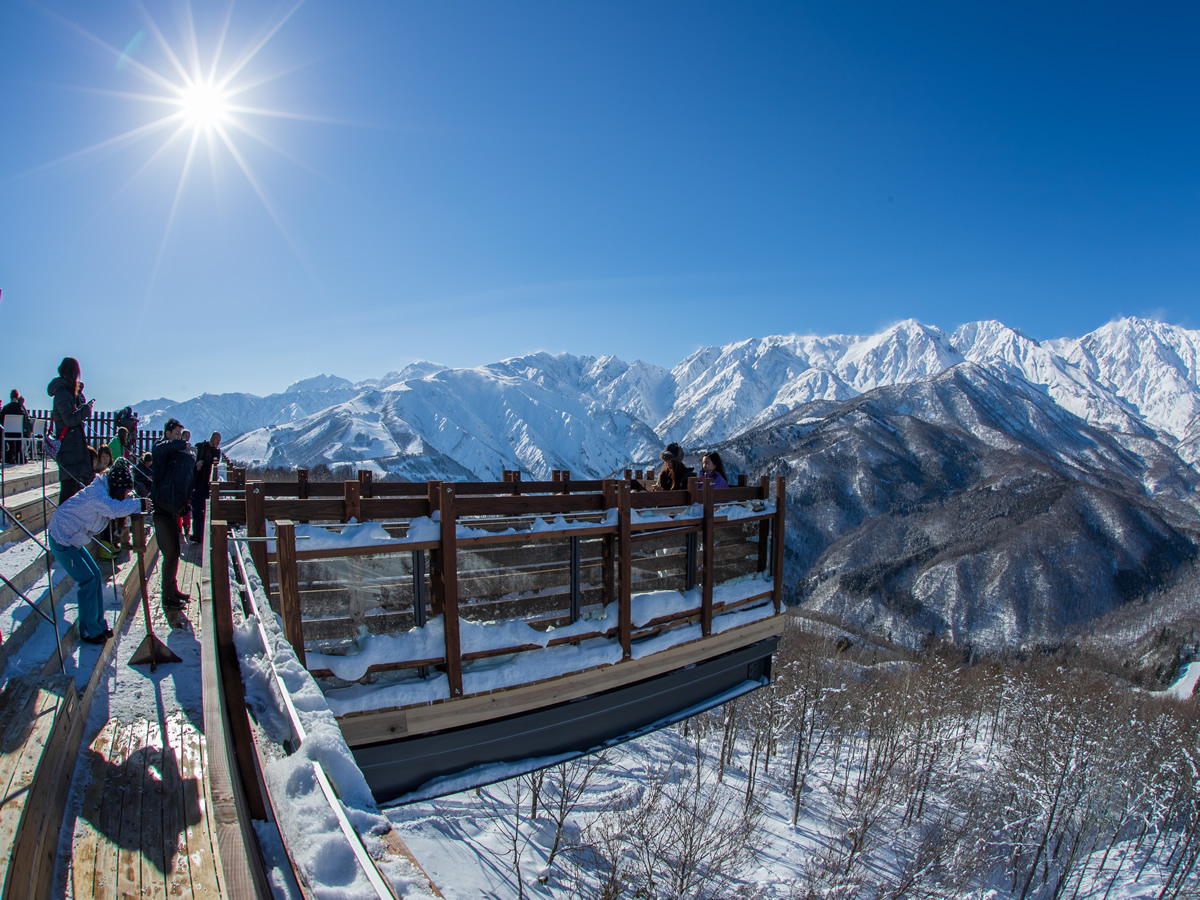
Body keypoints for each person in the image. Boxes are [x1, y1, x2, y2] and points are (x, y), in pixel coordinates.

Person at [47, 458, 143, 644]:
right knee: (87, 580)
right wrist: (140, 505)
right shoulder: (98, 494)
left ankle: (98, 624)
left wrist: (134, 504)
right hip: (61, 538)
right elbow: (114, 509)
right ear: (116, 487)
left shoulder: (103, 490)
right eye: (123, 492)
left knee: (95, 574)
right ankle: (89, 630)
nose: (124, 496)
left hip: (71, 539)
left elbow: (118, 509)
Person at [151, 418, 196, 610]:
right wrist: (181, 443)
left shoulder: (173, 455)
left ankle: (173, 589)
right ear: (167, 433)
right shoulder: (160, 450)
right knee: (169, 553)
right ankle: (167, 596)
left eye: (181, 435)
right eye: (176, 434)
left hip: (171, 510)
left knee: (175, 552)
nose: (179, 439)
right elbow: (160, 449)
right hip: (161, 510)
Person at [47, 357, 95, 504]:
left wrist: (82, 407)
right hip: (68, 448)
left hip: (72, 447)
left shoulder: (66, 392)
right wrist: (85, 411)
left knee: (73, 491)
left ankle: (67, 524)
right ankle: (61, 525)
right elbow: (69, 420)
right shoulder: (62, 393)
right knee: (68, 492)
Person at [190, 431, 222, 542]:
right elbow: (192, 457)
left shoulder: (216, 452)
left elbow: (214, 460)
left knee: (206, 509)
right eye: (217, 439)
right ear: (212, 438)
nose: (218, 442)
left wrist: (202, 462)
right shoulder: (200, 446)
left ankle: (204, 534)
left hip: (206, 484)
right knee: (197, 508)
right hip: (196, 481)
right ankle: (197, 534)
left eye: (219, 440)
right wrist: (196, 464)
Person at [1, 389, 32, 464]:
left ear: (10, 397)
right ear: (18, 397)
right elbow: (26, 421)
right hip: (19, 433)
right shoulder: (20, 409)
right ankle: (19, 457)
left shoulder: (5, 408)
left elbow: (1, 421)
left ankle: (9, 456)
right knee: (20, 439)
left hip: (7, 433)